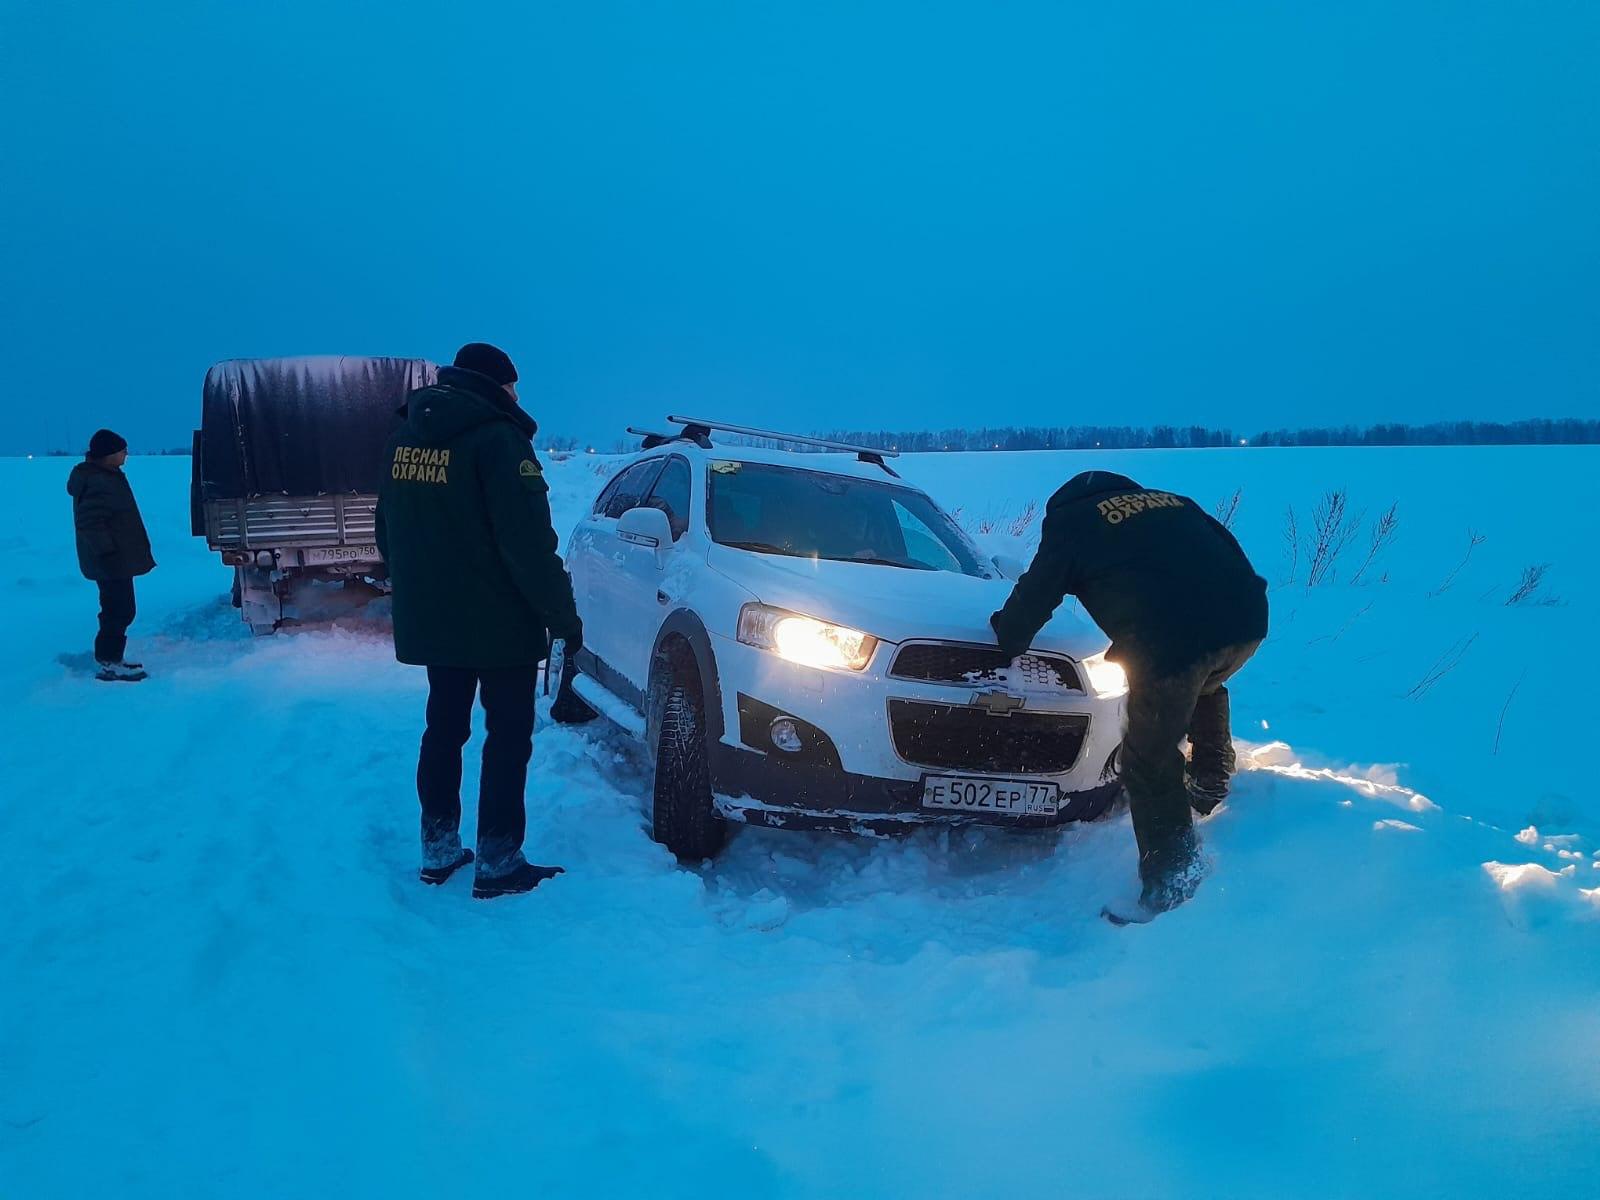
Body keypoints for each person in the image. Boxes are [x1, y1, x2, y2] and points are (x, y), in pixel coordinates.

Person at [990, 471, 1268, 921]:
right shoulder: (1175, 501)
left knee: (1148, 757)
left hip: (1171, 640)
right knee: (1205, 680)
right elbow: (1231, 556)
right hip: (1248, 619)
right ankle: (1212, 776)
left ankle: (1173, 882)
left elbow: (1036, 593)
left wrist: (1008, 634)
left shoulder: (1071, 521)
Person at [376, 343, 584, 899]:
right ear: (498, 384)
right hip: (499, 628)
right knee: (507, 738)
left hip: (436, 622)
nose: (518, 395)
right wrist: (563, 619)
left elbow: (387, 529)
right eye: (515, 385)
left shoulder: (405, 438)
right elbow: (529, 547)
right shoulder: (498, 440)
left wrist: (418, 591)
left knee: (444, 731)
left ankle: (438, 848)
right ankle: (498, 859)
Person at [66, 429, 156, 682]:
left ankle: (112, 658)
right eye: (122, 450)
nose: (126, 454)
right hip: (110, 561)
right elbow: (90, 521)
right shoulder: (98, 480)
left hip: (115, 559)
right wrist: (107, 551)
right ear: (108, 454)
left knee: (121, 609)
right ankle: (109, 663)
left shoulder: (107, 476)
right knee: (118, 610)